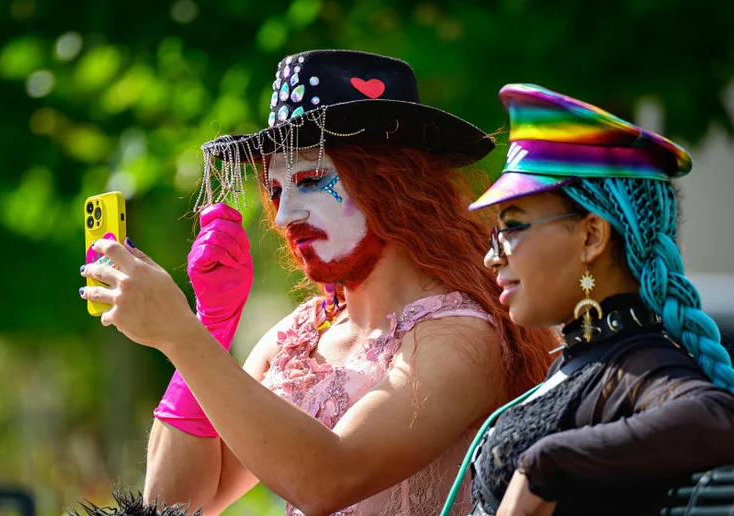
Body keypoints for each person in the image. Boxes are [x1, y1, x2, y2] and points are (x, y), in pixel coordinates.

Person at [79, 51, 559, 515]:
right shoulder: (301, 336)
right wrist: (210, 324)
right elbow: (177, 505)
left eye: (310, 179)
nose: (285, 215)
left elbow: (330, 480)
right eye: (274, 190)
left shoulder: (464, 336)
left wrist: (182, 336)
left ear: (393, 183)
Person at [459, 83, 734, 516]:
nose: (492, 257)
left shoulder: (638, 364)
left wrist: (544, 464)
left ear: (591, 236)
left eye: (511, 228)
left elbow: (718, 417)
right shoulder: (589, 359)